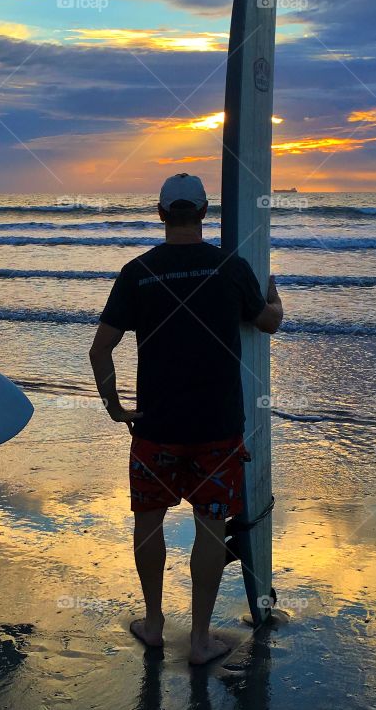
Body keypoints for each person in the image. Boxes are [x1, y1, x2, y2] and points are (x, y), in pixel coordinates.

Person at [88, 174, 283, 665]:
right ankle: (199, 640)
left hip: (156, 426)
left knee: (149, 524)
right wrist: (274, 297)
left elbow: (101, 350)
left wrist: (114, 406)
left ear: (159, 213)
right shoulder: (230, 268)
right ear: (204, 213)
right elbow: (267, 321)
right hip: (217, 428)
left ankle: (153, 625)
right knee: (210, 527)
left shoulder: (137, 272)